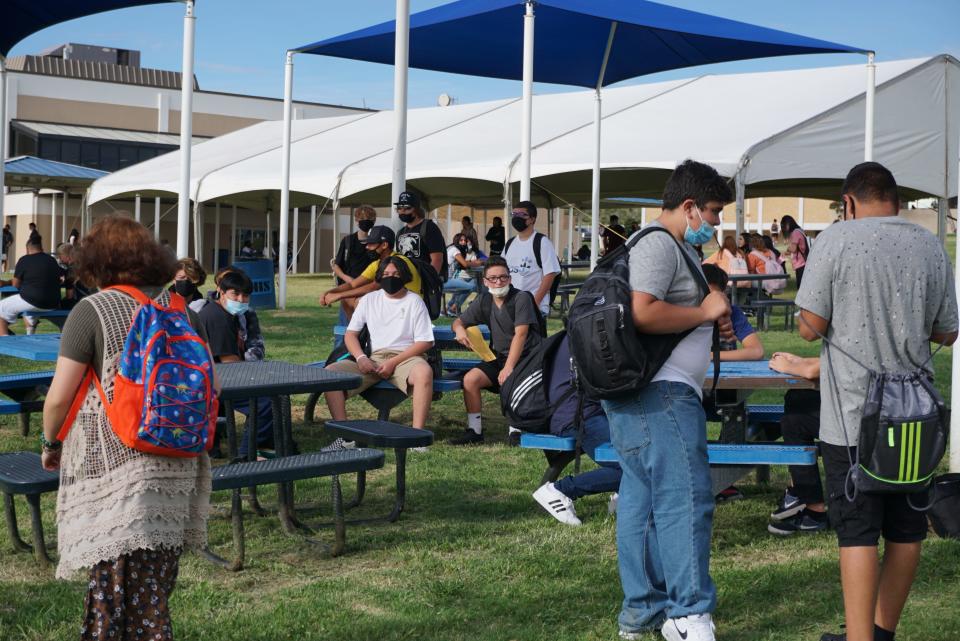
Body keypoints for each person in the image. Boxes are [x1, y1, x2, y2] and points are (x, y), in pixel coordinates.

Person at [796, 162, 958, 641]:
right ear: (896, 199)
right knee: (908, 528)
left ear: (848, 202)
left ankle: (860, 638)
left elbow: (809, 326)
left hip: (852, 418)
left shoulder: (835, 241)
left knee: (858, 531)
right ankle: (883, 631)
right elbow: (947, 331)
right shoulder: (931, 245)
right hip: (916, 416)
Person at [38, 215, 212, 639]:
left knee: (111, 593)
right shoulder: (176, 307)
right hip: (178, 459)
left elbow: (60, 396)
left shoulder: (91, 310)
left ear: (95, 261)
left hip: (118, 464)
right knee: (152, 589)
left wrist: (49, 442)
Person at [605, 159, 732, 641]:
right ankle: (687, 613)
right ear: (689, 206)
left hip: (645, 396)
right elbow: (643, 312)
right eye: (714, 210)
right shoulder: (660, 244)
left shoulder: (662, 245)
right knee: (685, 500)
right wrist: (704, 308)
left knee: (641, 502)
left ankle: (642, 611)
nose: (716, 221)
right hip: (661, 396)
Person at [324, 256, 435, 432]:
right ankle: (344, 435)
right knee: (330, 374)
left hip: (406, 358)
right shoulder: (369, 299)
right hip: (373, 359)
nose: (390, 278)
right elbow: (351, 335)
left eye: (396, 274)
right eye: (386, 274)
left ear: (405, 276)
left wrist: (393, 362)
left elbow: (425, 342)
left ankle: (417, 436)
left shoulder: (415, 301)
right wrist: (361, 358)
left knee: (424, 373)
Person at [448, 257, 542, 445]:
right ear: (485, 281)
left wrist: (508, 368)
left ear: (510, 278)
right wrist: (459, 329)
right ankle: (475, 431)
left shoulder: (522, 298)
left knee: (511, 379)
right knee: (470, 380)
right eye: (493, 278)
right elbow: (459, 321)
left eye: (503, 277)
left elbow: (521, 335)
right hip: (498, 357)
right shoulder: (484, 300)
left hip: (528, 358)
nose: (498, 282)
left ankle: (516, 430)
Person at [532, 333, 622, 526]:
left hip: (577, 412)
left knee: (644, 455)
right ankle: (561, 490)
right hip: (579, 415)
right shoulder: (595, 331)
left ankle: (627, 496)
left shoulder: (578, 328)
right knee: (635, 466)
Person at [198, 269, 277, 457]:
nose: (241, 299)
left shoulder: (225, 313)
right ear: (221, 292)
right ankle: (246, 455)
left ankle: (265, 446)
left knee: (274, 395)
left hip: (220, 374)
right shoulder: (217, 318)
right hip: (213, 380)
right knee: (265, 402)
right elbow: (230, 363)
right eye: (235, 293)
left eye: (246, 295)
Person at [765, 352, 828, 536]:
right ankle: (801, 494)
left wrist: (791, 367)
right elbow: (837, 359)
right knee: (798, 401)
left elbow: (829, 366)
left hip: (865, 414)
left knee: (794, 420)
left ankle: (811, 507)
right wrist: (802, 361)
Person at [319, 226, 421, 318]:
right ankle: (357, 332)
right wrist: (329, 292)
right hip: (394, 303)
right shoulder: (377, 264)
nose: (367, 247)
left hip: (409, 308)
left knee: (361, 302)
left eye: (371, 243)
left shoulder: (398, 262)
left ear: (384, 244)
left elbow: (373, 287)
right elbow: (353, 284)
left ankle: (363, 334)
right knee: (348, 300)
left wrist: (340, 295)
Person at [501, 200, 561, 315]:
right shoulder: (510, 243)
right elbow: (502, 270)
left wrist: (534, 303)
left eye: (522, 214)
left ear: (532, 219)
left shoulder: (542, 242)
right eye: (514, 214)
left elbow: (550, 274)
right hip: (511, 306)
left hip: (534, 308)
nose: (516, 217)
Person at [0, 236, 63, 336]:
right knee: (29, 305)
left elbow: (15, 284)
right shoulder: (52, 260)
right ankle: (30, 334)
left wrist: (5, 283)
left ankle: (6, 341)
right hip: (53, 302)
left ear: (27, 249)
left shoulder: (24, 260)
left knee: (1, 308)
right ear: (41, 248)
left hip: (33, 300)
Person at [332, 205, 379, 322]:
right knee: (344, 329)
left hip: (368, 291)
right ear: (356, 221)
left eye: (370, 220)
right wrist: (348, 279)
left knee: (365, 326)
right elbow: (336, 266)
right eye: (363, 219)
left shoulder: (377, 242)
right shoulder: (347, 241)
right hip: (347, 290)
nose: (366, 223)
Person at [394, 191, 446, 278]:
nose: (402, 212)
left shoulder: (430, 227)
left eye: (407, 208)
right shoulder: (400, 232)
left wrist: (429, 282)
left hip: (424, 281)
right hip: (407, 282)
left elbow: (437, 259)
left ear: (416, 209)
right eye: (399, 208)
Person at [445, 233, 483, 316]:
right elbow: (465, 264)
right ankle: (454, 308)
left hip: (445, 279)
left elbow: (464, 264)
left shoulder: (451, 248)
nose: (464, 242)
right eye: (461, 240)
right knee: (472, 286)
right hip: (446, 280)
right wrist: (476, 263)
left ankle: (450, 307)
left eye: (465, 241)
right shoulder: (455, 250)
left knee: (470, 283)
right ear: (456, 240)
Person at [780, 215, 809, 287]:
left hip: (801, 265)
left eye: (783, 226)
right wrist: (787, 252)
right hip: (804, 263)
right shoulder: (800, 231)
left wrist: (788, 249)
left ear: (787, 224)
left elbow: (793, 248)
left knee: (801, 287)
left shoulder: (795, 233)